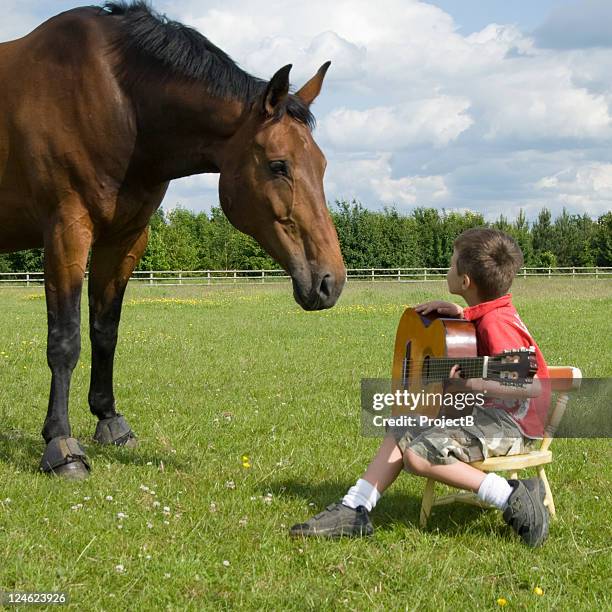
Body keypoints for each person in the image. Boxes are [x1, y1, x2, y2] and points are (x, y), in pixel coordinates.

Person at [290, 228, 551, 547]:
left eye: (452, 263)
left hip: (512, 426)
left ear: (465, 281)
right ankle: (355, 507)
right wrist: (461, 314)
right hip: (491, 417)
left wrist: (470, 381)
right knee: (404, 424)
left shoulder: (497, 324)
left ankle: (510, 495)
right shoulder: (490, 315)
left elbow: (528, 385)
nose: (447, 268)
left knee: (418, 456)